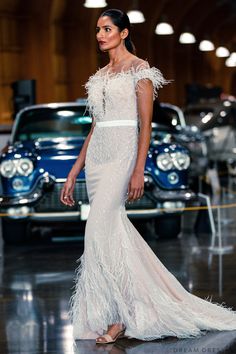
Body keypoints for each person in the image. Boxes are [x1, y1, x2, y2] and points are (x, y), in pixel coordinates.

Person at [60, 8, 236, 344]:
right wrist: (74, 170)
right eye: (98, 29)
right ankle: (120, 313)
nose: (100, 35)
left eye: (107, 29)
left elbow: (145, 127)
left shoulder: (141, 71)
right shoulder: (99, 75)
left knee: (98, 231)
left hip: (122, 156)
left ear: (124, 33)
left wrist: (138, 169)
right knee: (108, 234)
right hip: (98, 157)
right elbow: (95, 127)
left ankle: (122, 317)